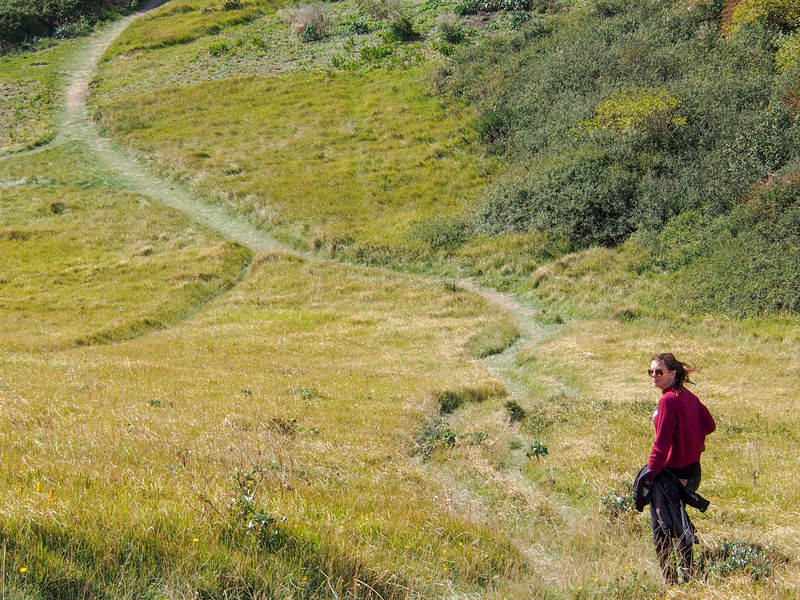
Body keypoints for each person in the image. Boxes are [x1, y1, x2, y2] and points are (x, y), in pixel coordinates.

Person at [644, 352, 715, 584]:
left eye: (659, 372)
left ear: (673, 374)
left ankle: (672, 581)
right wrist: (692, 445)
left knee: (662, 528)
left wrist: (649, 476)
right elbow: (709, 425)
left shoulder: (668, 400)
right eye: (651, 371)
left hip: (672, 475)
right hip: (693, 472)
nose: (654, 376)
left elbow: (661, 445)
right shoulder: (689, 396)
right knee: (679, 521)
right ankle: (688, 572)